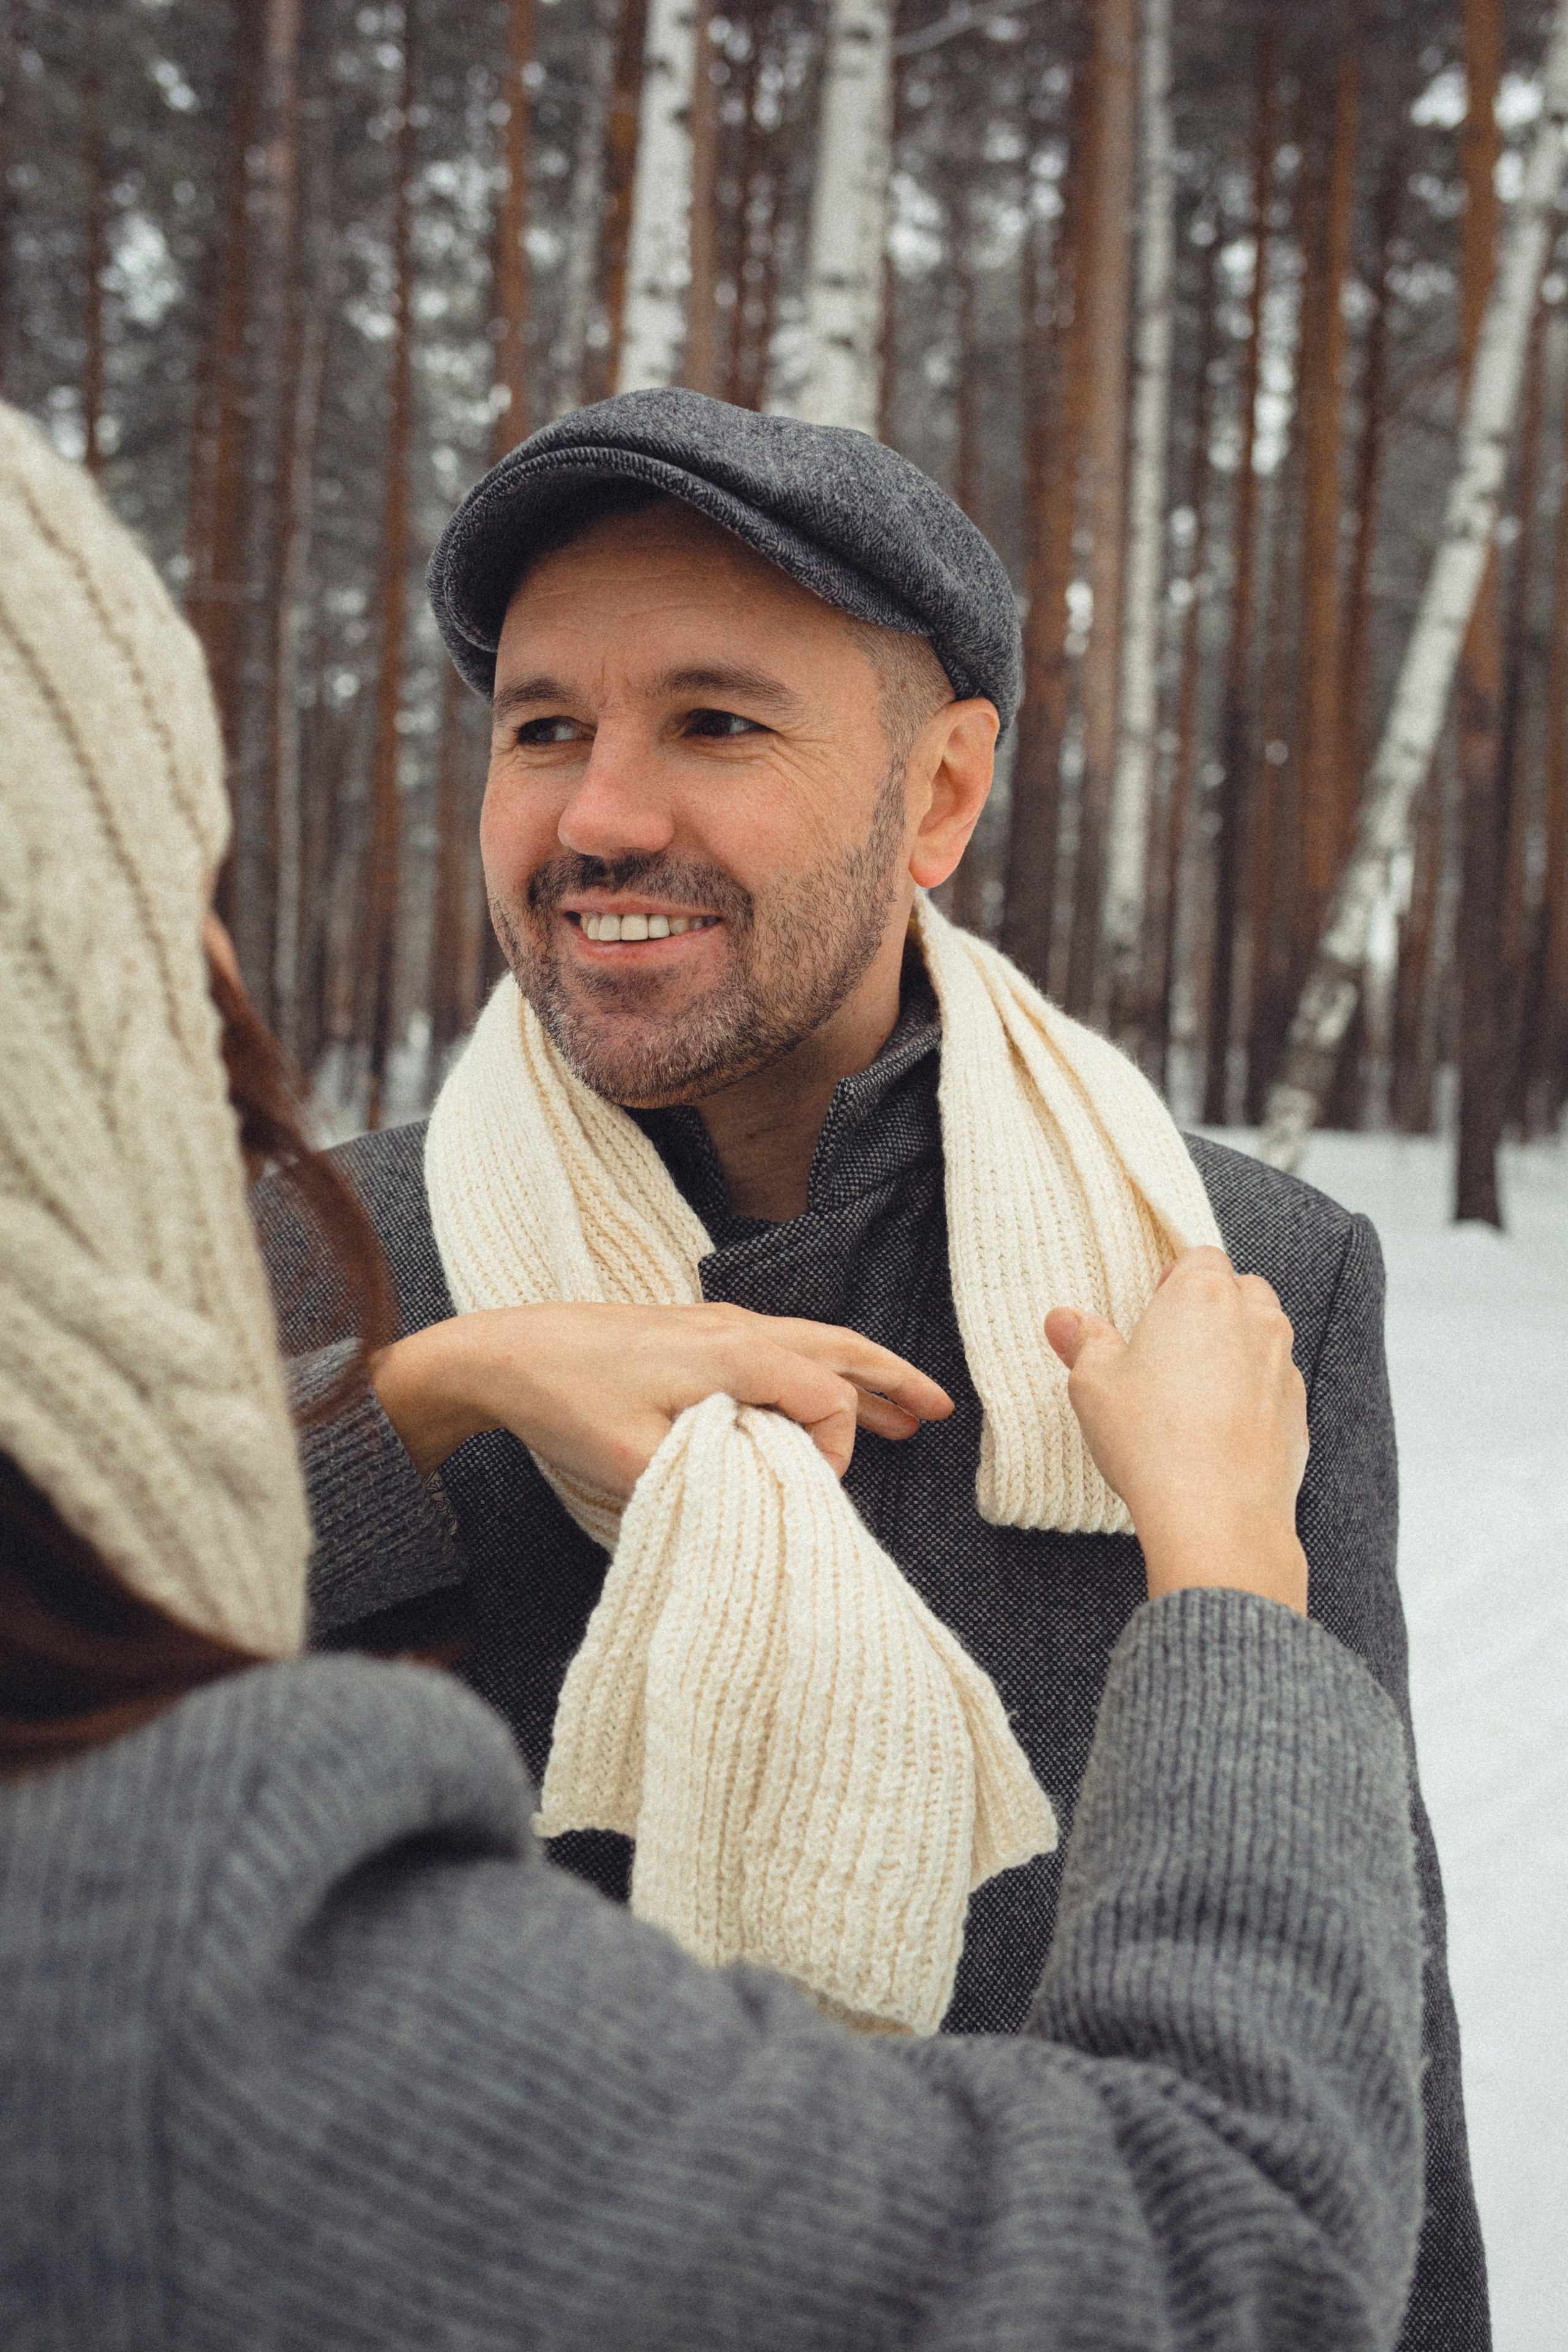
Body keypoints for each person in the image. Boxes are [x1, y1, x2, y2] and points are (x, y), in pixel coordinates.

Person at [0, 394, 1427, 2351]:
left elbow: (1370, 2032)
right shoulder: (325, 1257)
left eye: (718, 722)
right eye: (543, 726)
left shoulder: (1239, 1284)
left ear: (938, 796)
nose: (598, 817)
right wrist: (407, 1403)